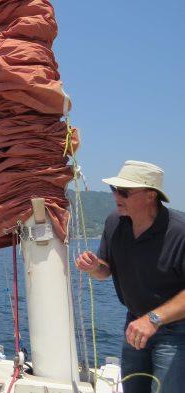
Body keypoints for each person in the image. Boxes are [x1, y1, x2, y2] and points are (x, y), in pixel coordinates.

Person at [74, 160, 185, 392]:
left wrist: (153, 319)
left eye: (124, 191)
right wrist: (94, 267)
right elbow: (105, 270)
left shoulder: (179, 232)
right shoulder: (114, 223)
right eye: (115, 189)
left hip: (176, 333)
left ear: (150, 196)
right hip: (135, 326)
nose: (116, 196)